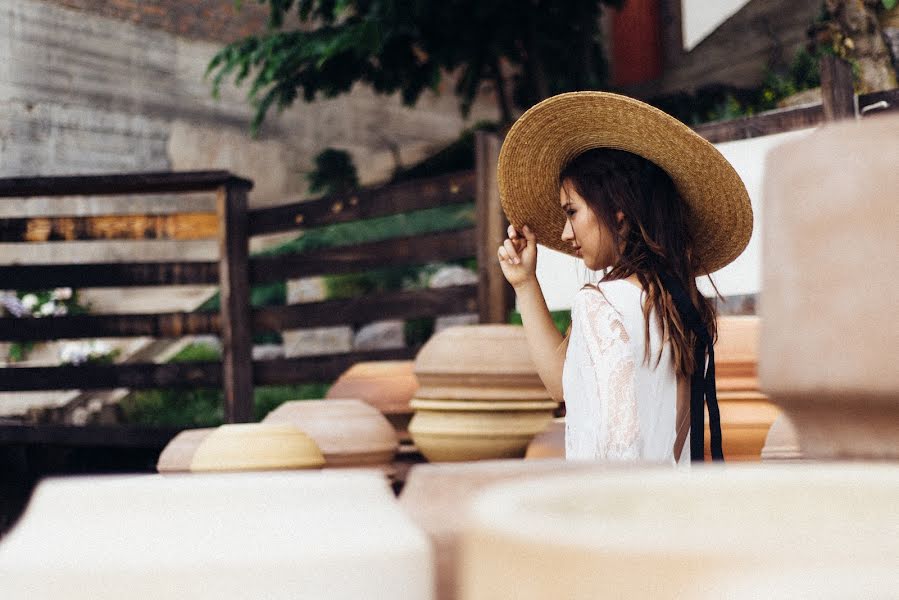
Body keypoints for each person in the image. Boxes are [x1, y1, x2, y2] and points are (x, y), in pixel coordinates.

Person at [495, 91, 752, 464]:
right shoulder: (680, 304)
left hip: (618, 511)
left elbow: (615, 446)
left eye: (571, 212)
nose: (566, 235)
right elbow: (562, 384)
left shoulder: (602, 303)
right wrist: (524, 281)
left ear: (617, 212)